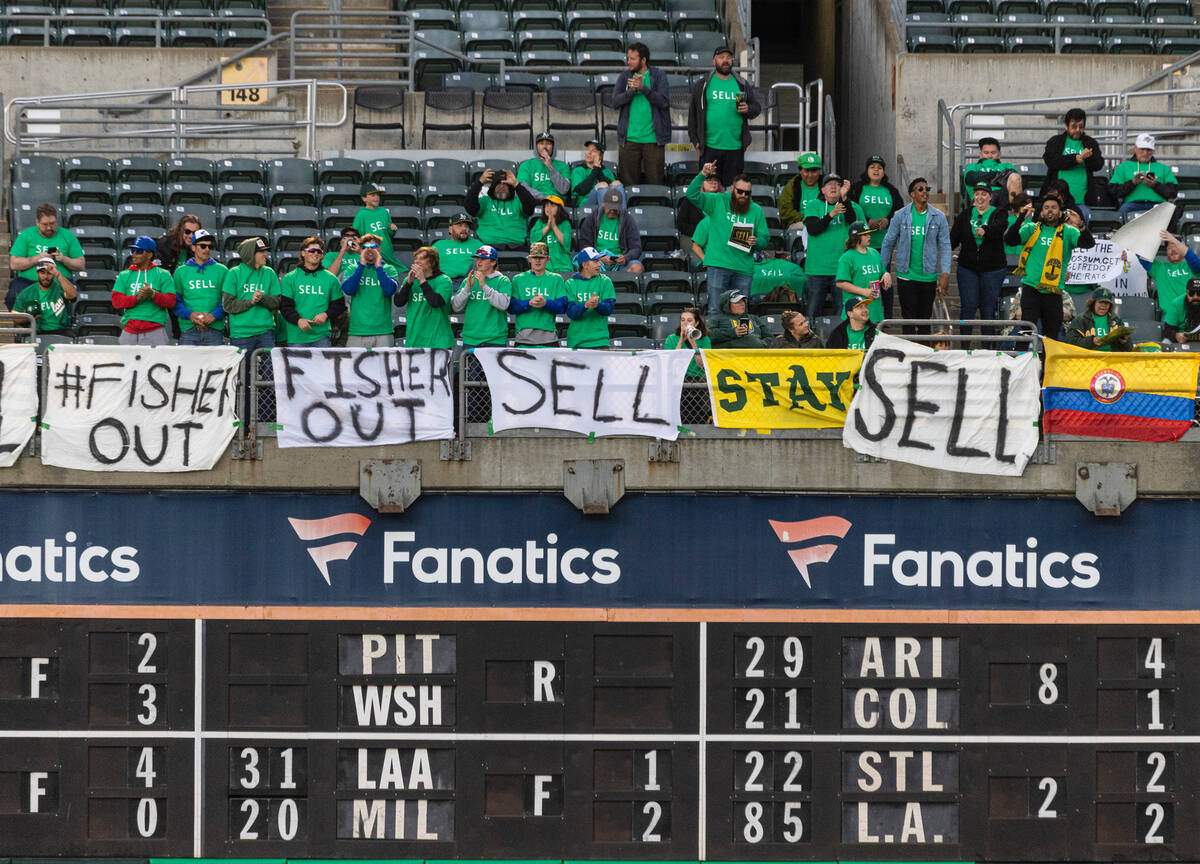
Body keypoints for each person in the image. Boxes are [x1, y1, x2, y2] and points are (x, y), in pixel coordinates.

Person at [1004, 191, 1096, 339]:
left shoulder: (1069, 232)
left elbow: (1088, 244)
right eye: (1046, 207)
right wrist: (1021, 217)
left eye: (1054, 207)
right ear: (1041, 212)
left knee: (1051, 335)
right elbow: (1010, 240)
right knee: (1026, 332)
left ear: (1060, 213)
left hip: (1053, 293)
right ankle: (1025, 361)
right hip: (1031, 289)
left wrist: (1080, 224)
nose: (1050, 210)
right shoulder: (1031, 228)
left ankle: (1048, 362)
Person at [687, 163, 769, 313]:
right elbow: (691, 195)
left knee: (741, 313)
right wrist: (703, 174)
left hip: (743, 268)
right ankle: (717, 338)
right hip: (719, 265)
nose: (743, 196)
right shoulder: (717, 201)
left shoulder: (756, 210)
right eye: (740, 191)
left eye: (747, 193)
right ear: (732, 189)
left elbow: (765, 237)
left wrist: (757, 242)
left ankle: (742, 337)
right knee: (715, 309)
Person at [880, 177, 952, 330]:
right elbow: (888, 242)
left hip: (928, 276)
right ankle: (910, 353)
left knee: (925, 320)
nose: (924, 192)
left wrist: (945, 273)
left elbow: (945, 246)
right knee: (908, 319)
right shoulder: (901, 215)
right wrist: (883, 270)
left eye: (927, 189)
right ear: (912, 194)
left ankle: (923, 352)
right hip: (906, 275)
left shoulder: (938, 216)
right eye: (920, 189)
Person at [687, 45, 761, 186]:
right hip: (709, 148)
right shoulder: (702, 85)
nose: (725, 61)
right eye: (721, 57)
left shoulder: (742, 84)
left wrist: (748, 109)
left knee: (732, 192)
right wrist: (696, 142)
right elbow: (693, 117)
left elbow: (756, 108)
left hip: (735, 148)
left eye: (728, 57)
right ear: (714, 61)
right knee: (708, 191)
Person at [950, 182, 1009, 333]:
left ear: (990, 197)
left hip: (993, 269)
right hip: (968, 268)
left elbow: (999, 229)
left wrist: (985, 230)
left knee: (988, 309)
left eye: (984, 194)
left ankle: (987, 349)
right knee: (968, 307)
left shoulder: (999, 213)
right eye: (977, 194)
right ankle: (964, 347)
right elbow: (953, 239)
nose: (980, 197)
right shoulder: (965, 215)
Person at [803, 173, 865, 319]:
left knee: (843, 313)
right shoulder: (813, 205)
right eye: (829, 184)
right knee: (812, 313)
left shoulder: (852, 207)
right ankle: (811, 341)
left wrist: (844, 200)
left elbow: (855, 227)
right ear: (823, 190)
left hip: (843, 270)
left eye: (837, 184)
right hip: (817, 269)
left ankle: (841, 341)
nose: (833, 187)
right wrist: (831, 215)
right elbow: (813, 230)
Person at [612, 41, 670, 187]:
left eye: (632, 58)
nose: (628, 61)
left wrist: (643, 88)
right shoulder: (624, 76)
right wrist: (632, 91)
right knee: (629, 186)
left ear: (643, 60)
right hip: (629, 140)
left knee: (656, 184)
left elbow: (663, 102)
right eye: (628, 58)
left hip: (653, 140)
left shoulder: (658, 75)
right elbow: (615, 102)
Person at [7, 204, 84, 313]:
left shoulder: (67, 236)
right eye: (45, 224)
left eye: (52, 224)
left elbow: (81, 264)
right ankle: (24, 325)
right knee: (13, 294)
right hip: (30, 282)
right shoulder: (26, 235)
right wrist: (38, 258)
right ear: (37, 223)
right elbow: (14, 264)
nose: (49, 227)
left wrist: (63, 259)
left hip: (59, 282)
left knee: (76, 295)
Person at [279, 237, 345, 349]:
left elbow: (339, 305)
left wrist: (326, 314)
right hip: (297, 336)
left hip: (322, 336)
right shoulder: (290, 278)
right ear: (303, 253)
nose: (316, 253)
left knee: (322, 367)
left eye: (319, 251)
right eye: (311, 251)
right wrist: (298, 320)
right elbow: (285, 307)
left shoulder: (331, 279)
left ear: (322, 255)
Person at [111, 235, 177, 345]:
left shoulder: (163, 274)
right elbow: (116, 302)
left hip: (155, 331)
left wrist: (153, 295)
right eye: (133, 250)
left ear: (149, 254)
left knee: (157, 362)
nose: (134, 254)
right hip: (129, 331)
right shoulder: (124, 275)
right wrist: (137, 297)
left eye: (138, 251)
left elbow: (171, 301)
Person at [222, 236, 281, 352]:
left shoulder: (269, 273)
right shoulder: (234, 273)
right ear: (250, 254)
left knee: (268, 369)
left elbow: (277, 302)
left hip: (265, 331)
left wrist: (261, 298)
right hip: (241, 334)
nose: (265, 254)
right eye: (261, 252)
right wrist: (251, 302)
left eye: (265, 251)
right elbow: (228, 305)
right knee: (244, 369)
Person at [340, 233, 400, 348]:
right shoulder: (353, 269)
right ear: (361, 250)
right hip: (357, 331)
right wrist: (361, 266)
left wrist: (378, 266)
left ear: (379, 249)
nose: (369, 249)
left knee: (383, 366)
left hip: (383, 331)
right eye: (365, 247)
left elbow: (389, 290)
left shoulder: (389, 269)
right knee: (353, 366)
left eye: (373, 246)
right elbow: (349, 290)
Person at [1042, 107, 1103, 216]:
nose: (1078, 130)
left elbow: (1098, 165)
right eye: (1074, 127)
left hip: (1082, 200)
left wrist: (1088, 158)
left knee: (1080, 230)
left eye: (1081, 127)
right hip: (1057, 200)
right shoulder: (1055, 141)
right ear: (1066, 126)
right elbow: (1050, 160)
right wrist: (1076, 159)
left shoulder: (1090, 143)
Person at [173, 228, 228, 346]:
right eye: (203, 246)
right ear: (193, 247)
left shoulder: (222, 270)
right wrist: (190, 315)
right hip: (189, 329)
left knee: (216, 365)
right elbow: (176, 302)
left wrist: (214, 315)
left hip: (215, 329)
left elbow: (227, 300)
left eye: (209, 246)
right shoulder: (181, 272)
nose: (207, 249)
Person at [451, 245, 513, 348]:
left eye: (483, 259)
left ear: (493, 262)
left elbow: (503, 305)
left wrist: (484, 286)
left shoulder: (503, 281)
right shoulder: (469, 281)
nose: (479, 262)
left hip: (495, 339)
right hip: (470, 339)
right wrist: (467, 288)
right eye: (477, 258)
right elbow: (456, 307)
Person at [395, 245, 454, 349]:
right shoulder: (409, 280)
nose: (417, 262)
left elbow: (436, 302)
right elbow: (398, 302)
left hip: (438, 341)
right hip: (414, 340)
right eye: (416, 259)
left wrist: (422, 280)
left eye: (421, 259)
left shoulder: (444, 280)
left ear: (432, 262)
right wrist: (408, 283)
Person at [509, 242, 567, 347]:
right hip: (523, 337)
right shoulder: (518, 279)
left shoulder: (556, 279)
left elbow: (562, 307)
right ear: (529, 259)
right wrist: (529, 303)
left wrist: (545, 303)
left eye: (541, 257)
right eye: (534, 257)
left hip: (548, 337)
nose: (537, 260)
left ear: (548, 259)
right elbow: (511, 307)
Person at [465, 167, 538, 251]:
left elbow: (530, 207)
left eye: (505, 184)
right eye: (498, 183)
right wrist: (480, 182)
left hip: (516, 246)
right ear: (493, 186)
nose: (502, 186)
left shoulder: (518, 201)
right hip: (489, 246)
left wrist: (517, 185)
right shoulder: (485, 201)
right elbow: (469, 207)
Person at [1110, 133, 1178, 217]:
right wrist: (1132, 183)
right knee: (1121, 214)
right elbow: (1113, 192)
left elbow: (1173, 192)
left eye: (1148, 150)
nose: (1145, 153)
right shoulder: (1123, 167)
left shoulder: (1163, 168)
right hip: (1132, 205)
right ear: (1135, 148)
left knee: (1171, 213)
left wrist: (1156, 185)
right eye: (1142, 149)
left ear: (1153, 151)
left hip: (1158, 206)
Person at [579, 188, 644, 274]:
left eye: (616, 208)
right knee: (586, 266)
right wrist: (599, 257)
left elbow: (636, 248)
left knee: (637, 268)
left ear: (621, 206)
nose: (612, 210)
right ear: (603, 203)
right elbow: (585, 246)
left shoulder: (627, 220)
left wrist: (625, 258)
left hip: (620, 263)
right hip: (597, 261)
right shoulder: (592, 218)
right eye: (610, 207)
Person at [1138, 231, 1200, 320]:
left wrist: (1173, 239)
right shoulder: (1159, 268)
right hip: (1169, 317)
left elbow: (1194, 260)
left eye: (1176, 246)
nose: (1173, 250)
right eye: (1169, 248)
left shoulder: (1191, 267)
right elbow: (1141, 256)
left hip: (1191, 316)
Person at [847, 156, 903, 253]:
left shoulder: (891, 190)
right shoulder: (856, 188)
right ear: (867, 170)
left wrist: (888, 220)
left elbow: (900, 210)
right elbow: (850, 209)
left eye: (879, 168)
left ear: (883, 172)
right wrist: (867, 221)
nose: (876, 170)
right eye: (872, 167)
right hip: (860, 243)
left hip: (885, 244)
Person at [836, 221, 889, 324]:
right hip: (856, 313)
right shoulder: (847, 257)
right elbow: (841, 283)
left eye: (869, 233)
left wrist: (886, 275)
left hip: (875, 311)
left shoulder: (874, 253)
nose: (869, 236)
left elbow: (882, 272)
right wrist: (863, 291)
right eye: (865, 234)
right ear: (856, 237)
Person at [564, 247, 615, 348]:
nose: (600, 264)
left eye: (599, 261)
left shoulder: (605, 281)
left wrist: (597, 305)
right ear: (584, 264)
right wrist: (586, 305)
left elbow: (609, 309)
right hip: (577, 343)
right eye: (595, 261)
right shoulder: (570, 284)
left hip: (600, 342)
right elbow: (571, 313)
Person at [17, 257, 77, 335]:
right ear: (37, 273)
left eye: (49, 273)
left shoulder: (60, 287)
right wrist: (29, 317)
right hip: (37, 330)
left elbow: (73, 296)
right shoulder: (27, 292)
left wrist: (58, 275)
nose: (45, 276)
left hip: (61, 330)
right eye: (42, 272)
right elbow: (15, 317)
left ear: (54, 274)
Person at [1066, 287, 1132, 352]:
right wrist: (1092, 342)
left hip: (1112, 359)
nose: (1104, 305)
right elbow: (1070, 343)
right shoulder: (1080, 320)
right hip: (1088, 359)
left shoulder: (1116, 320)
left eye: (1107, 303)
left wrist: (1124, 342)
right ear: (1093, 303)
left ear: (1110, 305)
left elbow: (1129, 348)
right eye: (1101, 302)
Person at [352, 181, 401, 268]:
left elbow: (389, 234)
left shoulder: (384, 211)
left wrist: (392, 229)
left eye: (378, 195)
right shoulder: (361, 215)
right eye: (373, 195)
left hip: (388, 254)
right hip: (372, 256)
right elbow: (356, 237)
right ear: (364, 198)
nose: (377, 197)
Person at [962, 137, 1020, 205]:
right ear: (980, 154)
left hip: (1004, 199)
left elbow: (1015, 181)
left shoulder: (1007, 166)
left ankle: (1017, 213)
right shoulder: (973, 167)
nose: (989, 156)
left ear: (999, 154)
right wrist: (999, 177)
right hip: (981, 199)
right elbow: (971, 179)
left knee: (1015, 177)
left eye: (993, 152)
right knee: (985, 194)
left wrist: (985, 179)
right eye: (986, 153)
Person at [517, 131, 572, 202]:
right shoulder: (526, 165)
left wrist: (551, 167)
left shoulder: (563, 166)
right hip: (534, 201)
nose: (544, 147)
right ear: (536, 147)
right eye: (541, 143)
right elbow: (523, 188)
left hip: (556, 203)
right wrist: (543, 198)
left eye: (548, 144)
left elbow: (564, 190)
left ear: (553, 147)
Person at [572, 139, 624, 209]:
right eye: (588, 149)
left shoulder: (607, 171)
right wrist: (596, 170)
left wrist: (597, 170)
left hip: (609, 202)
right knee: (602, 185)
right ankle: (604, 217)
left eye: (594, 151)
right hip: (587, 204)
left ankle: (623, 216)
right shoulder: (578, 170)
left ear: (601, 156)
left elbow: (614, 192)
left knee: (617, 183)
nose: (589, 153)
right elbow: (581, 191)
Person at [778, 151, 823, 231]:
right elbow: (785, 211)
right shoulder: (792, 186)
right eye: (807, 171)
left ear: (819, 171)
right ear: (800, 170)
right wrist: (807, 219)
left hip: (823, 221)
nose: (810, 175)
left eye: (814, 171)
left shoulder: (826, 185)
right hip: (799, 223)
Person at [529, 196, 573, 276]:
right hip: (545, 267)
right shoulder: (539, 223)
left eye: (552, 206)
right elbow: (533, 241)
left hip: (562, 266)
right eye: (546, 206)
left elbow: (566, 243)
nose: (548, 208)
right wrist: (547, 226)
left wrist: (554, 226)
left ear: (559, 209)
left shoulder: (565, 224)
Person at [432, 213, 482, 280]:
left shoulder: (477, 244)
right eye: (460, 225)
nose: (464, 228)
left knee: (479, 262)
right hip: (448, 281)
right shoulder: (439, 245)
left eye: (466, 226)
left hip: (472, 281)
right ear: (450, 229)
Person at [678, 174, 721, 250]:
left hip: (717, 238)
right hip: (692, 237)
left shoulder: (723, 201)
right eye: (709, 180)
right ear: (701, 183)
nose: (713, 182)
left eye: (715, 180)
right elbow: (681, 224)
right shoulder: (689, 200)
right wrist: (701, 233)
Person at [664, 306, 711, 375]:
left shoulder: (704, 339)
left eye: (689, 320)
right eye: (683, 320)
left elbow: (702, 365)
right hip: (677, 377)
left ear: (696, 323)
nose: (685, 323)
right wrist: (681, 341)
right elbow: (670, 363)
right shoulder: (671, 339)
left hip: (698, 379)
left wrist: (693, 344)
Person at [1163, 276, 1200, 345]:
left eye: (1199, 293)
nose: (1195, 297)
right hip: (1180, 339)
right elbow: (1167, 329)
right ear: (1187, 292)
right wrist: (1175, 335)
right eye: (1192, 293)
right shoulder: (1176, 304)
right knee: (1165, 343)